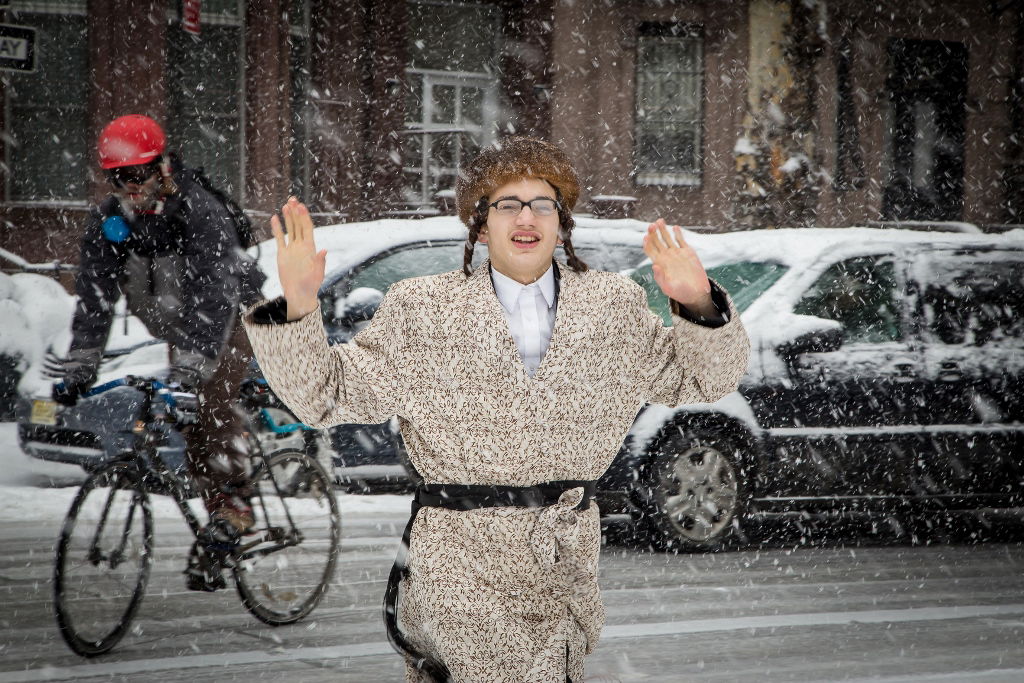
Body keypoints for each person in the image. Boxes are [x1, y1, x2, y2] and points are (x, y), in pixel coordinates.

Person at [243, 137, 750, 682]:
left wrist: (696, 302)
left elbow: (705, 376)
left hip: (567, 554)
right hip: (461, 557)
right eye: (507, 203)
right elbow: (324, 392)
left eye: (542, 203)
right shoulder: (424, 309)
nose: (525, 216)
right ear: (480, 225)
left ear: (561, 222)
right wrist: (298, 304)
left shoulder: (612, 306)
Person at [47, 114, 266, 591]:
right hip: (182, 329)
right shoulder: (112, 221)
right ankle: (217, 510)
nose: (129, 186)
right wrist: (80, 367)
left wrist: (189, 372)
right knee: (183, 425)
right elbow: (94, 296)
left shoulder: (199, 211)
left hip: (229, 321)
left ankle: (236, 504)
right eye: (118, 177)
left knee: (207, 404)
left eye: (138, 174)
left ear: (162, 166)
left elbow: (215, 294)